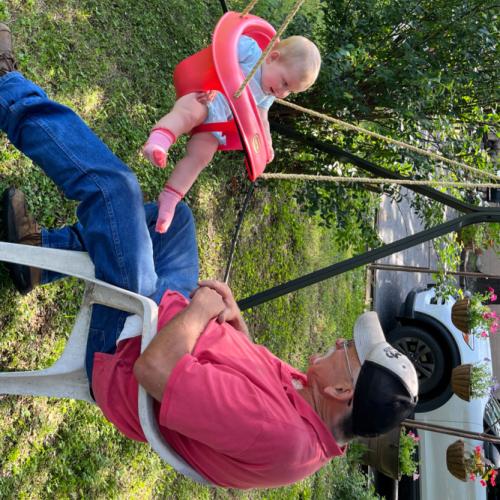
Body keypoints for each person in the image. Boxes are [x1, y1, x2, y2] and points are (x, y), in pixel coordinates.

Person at [0, 25, 418, 489]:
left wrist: (200, 310)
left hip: (128, 344)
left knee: (114, 189)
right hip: (168, 316)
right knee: (174, 218)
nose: (341, 342)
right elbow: (247, 372)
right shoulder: (314, 399)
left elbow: (153, 370)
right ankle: (38, 257)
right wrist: (235, 324)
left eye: (350, 350)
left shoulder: (280, 436)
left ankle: (6, 87)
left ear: (343, 391)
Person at [143, 34, 322, 233]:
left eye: (290, 92)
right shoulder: (251, 52)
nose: (282, 93)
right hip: (205, 95)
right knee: (188, 114)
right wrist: (212, 78)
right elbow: (221, 45)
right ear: (273, 57)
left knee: (202, 156)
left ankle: (170, 198)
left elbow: (261, 119)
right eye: (285, 83)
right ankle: (158, 142)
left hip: (218, 121)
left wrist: (266, 144)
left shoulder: (268, 94)